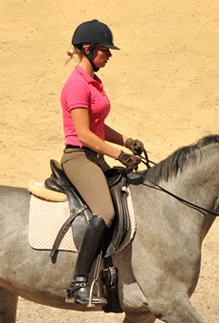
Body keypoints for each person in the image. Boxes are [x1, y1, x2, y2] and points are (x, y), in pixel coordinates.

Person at [60, 19, 144, 306]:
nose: (109, 55)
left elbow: (97, 125)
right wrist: (118, 154)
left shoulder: (94, 82)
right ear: (88, 48)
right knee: (105, 211)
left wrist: (126, 140)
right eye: (105, 49)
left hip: (95, 156)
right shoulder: (76, 85)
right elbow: (83, 134)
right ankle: (78, 283)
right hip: (79, 157)